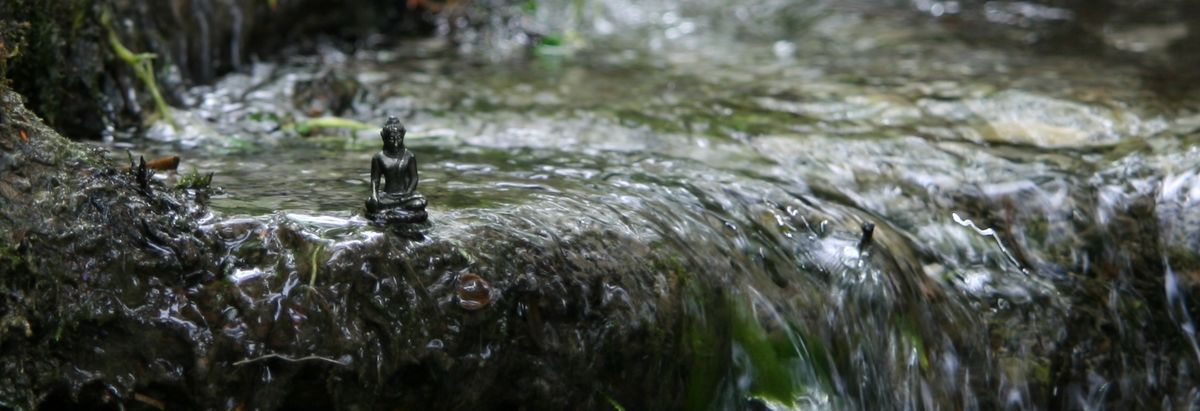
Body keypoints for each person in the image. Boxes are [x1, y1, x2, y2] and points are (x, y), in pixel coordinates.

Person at [366, 116, 427, 222]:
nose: (395, 143)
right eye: (391, 139)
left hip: (405, 195)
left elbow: (414, 178)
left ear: (403, 136)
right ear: (383, 137)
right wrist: (375, 196)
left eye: (398, 138)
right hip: (387, 196)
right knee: (370, 203)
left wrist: (407, 193)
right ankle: (396, 210)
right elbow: (375, 179)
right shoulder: (378, 157)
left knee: (421, 201)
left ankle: (394, 210)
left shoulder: (409, 156)